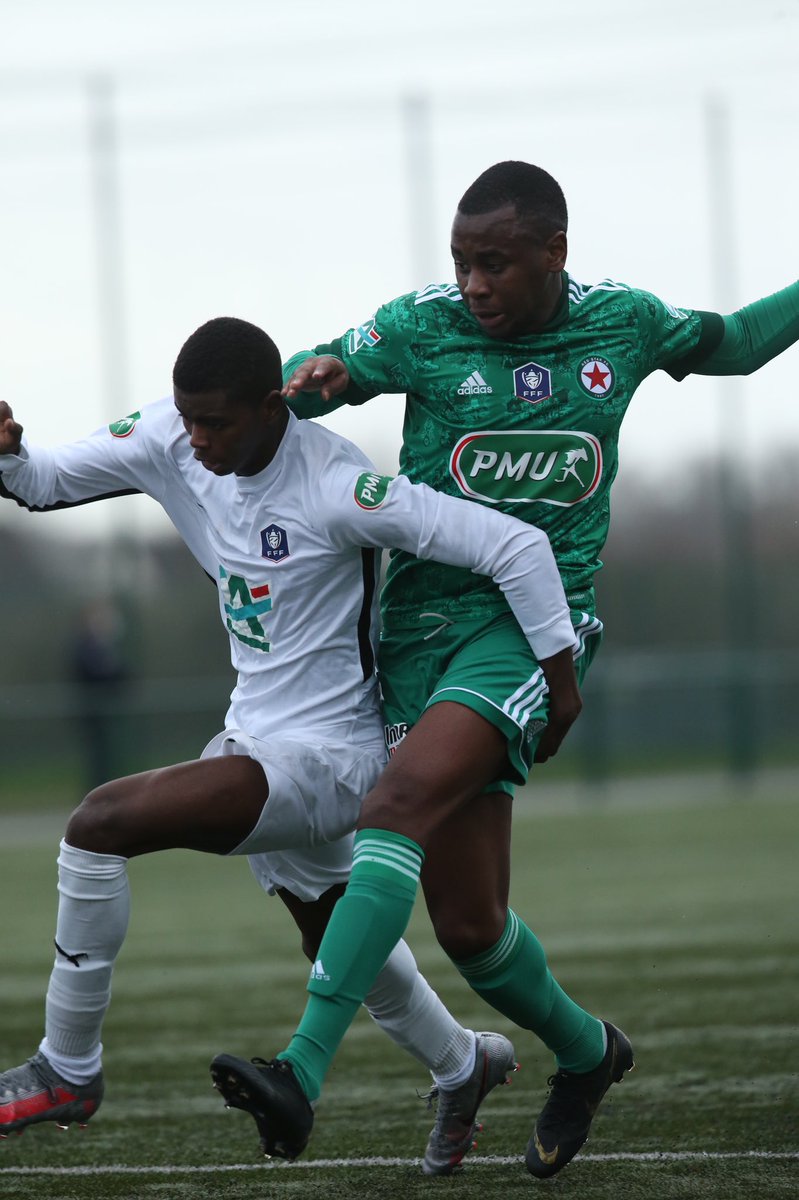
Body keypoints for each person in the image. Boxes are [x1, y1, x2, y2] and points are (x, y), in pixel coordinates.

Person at [214, 160, 799, 1179]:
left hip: (532, 630)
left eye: (494, 263)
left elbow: (739, 345)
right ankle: (587, 1052)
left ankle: (299, 1071)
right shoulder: (422, 328)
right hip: (418, 640)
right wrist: (312, 376)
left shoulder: (625, 324)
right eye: (461, 262)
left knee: (393, 806)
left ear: (552, 254)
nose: (474, 283)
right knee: (472, 926)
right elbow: (330, 369)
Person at [0, 315, 582, 1173]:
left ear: (274, 407)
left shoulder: (336, 483)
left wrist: (558, 684)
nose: (195, 441)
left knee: (99, 822)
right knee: (336, 942)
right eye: (186, 419)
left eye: (217, 424)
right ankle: (464, 1064)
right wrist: (9, 453)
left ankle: (68, 1068)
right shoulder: (175, 434)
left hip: (331, 759)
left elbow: (515, 545)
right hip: (255, 735)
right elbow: (45, 481)